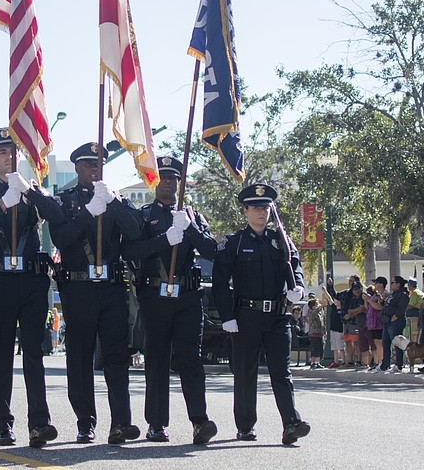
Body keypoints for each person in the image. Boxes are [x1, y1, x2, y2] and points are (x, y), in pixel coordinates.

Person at [0, 129, 64, 448]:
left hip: (32, 281)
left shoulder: (30, 188)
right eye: (3, 152)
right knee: (1, 353)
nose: (10, 157)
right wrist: (1, 206)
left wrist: (29, 193)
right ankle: (2, 424)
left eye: (14, 151)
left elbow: (56, 215)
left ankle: (39, 423)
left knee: (34, 353)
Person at [122, 156, 218, 445]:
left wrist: (189, 228)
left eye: (173, 178)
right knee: (157, 360)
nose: (168, 182)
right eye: (163, 177)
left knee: (191, 360)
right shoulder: (143, 215)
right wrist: (165, 239)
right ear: (155, 181)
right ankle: (156, 423)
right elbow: (130, 251)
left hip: (188, 297)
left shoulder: (192, 215)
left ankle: (199, 421)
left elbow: (213, 250)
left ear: (179, 182)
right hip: (156, 296)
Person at [50, 142, 141, 445]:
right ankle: (85, 423)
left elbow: (135, 232)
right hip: (78, 288)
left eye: (98, 164)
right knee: (80, 357)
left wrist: (111, 203)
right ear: (76, 168)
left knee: (116, 357)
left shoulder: (117, 198)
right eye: (88, 164)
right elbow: (61, 237)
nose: (93, 169)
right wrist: (89, 212)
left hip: (112, 289)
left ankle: (121, 423)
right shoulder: (64, 202)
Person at [212, 183, 310, 445]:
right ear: (245, 211)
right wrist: (227, 317)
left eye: (265, 208)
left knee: (282, 372)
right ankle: (245, 426)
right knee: (246, 373)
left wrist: (298, 288)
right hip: (246, 316)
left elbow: (296, 269)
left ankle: (291, 423)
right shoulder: (235, 243)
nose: (261, 212)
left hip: (278, 317)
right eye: (255, 208)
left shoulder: (281, 242)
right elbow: (220, 281)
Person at [379, 275, 410, 374]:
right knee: (385, 343)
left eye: (392, 283)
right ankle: (385, 365)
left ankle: (399, 365)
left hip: (395, 322)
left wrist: (393, 318)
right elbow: (387, 305)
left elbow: (401, 309)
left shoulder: (403, 294)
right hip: (386, 322)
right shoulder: (393, 294)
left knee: (397, 344)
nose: (391, 285)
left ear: (398, 284)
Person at [306, 299, 326, 369]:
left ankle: (317, 362)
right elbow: (315, 312)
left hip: (320, 333)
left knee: (320, 348)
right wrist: (322, 305)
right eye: (317, 305)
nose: (318, 306)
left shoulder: (319, 314)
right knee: (315, 349)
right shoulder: (311, 312)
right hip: (314, 333)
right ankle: (313, 362)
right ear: (313, 306)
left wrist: (324, 331)